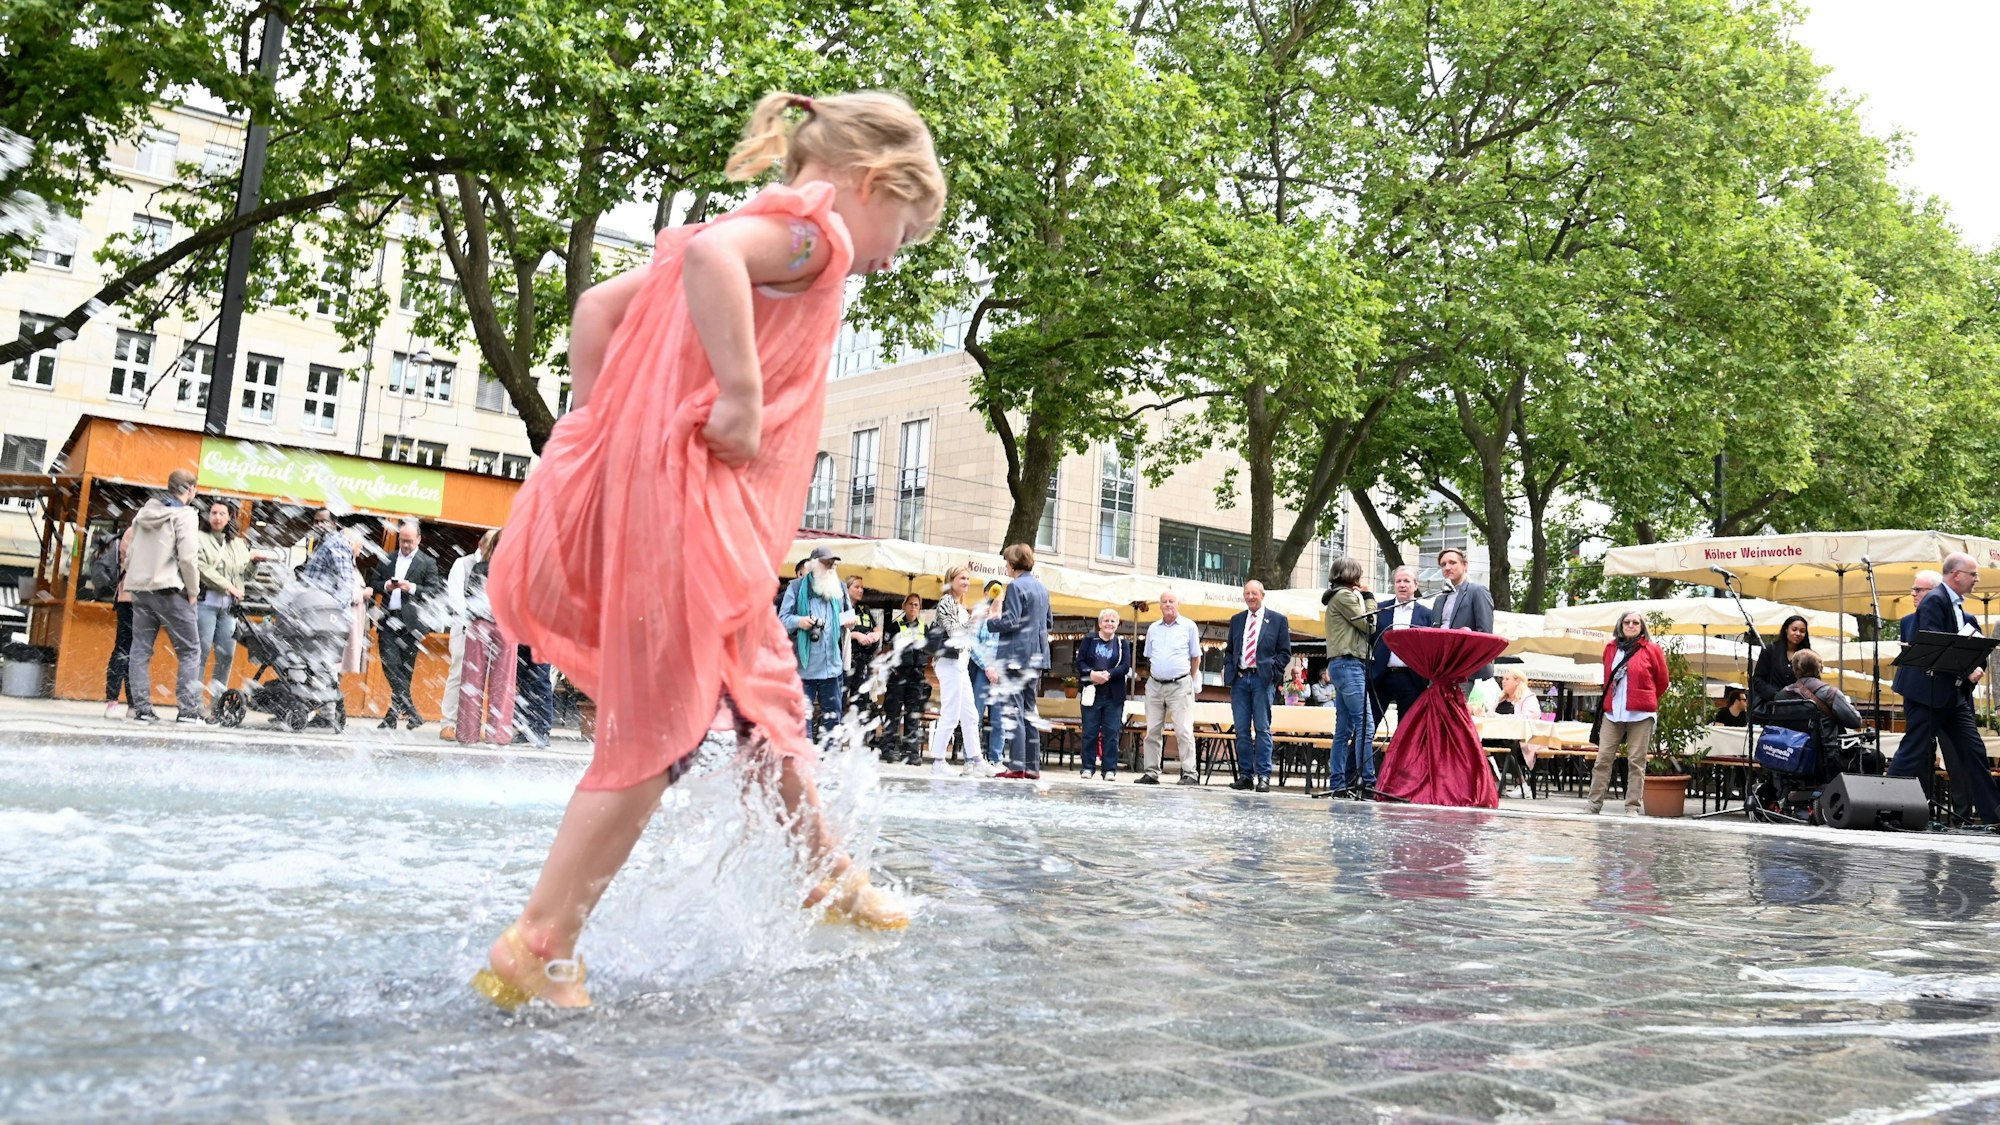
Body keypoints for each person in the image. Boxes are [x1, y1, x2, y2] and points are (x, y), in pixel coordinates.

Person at [477, 90, 944, 1009]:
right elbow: (709, 256)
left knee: (761, 688)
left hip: (677, 497)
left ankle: (828, 869)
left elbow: (599, 309)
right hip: (696, 505)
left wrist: (608, 427)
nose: (889, 258)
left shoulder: (769, 224)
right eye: (905, 232)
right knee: (662, 731)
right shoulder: (817, 240)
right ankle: (541, 940)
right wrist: (736, 394)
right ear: (877, 182)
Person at [1888, 553, 2000, 824]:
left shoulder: (1957, 606)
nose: (1977, 579)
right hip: (1928, 692)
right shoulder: (1935, 601)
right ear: (1957, 575)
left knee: (1974, 752)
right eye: (1973, 574)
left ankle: (1993, 816)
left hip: (1950, 695)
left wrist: (1973, 660)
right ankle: (1883, 805)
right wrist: (1966, 665)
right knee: (1912, 750)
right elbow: (1935, 647)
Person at [124, 469, 203, 724]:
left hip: (140, 590)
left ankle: (142, 709)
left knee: (140, 650)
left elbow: (130, 550)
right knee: (190, 650)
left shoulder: (145, 512)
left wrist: (133, 576)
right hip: (170, 590)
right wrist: (193, 591)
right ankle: (188, 711)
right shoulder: (185, 515)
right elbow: (188, 558)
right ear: (190, 489)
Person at [1586, 611, 1670, 815]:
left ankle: (1632, 807)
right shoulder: (1610, 648)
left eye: (1635, 622)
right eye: (1627, 622)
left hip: (1641, 714)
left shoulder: (1652, 649)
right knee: (1603, 758)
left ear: (1642, 627)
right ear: (1620, 625)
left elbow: (1662, 681)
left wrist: (1645, 698)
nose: (1631, 625)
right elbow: (1608, 678)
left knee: (1636, 761)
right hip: (1613, 712)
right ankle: (1593, 805)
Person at [371, 519, 443, 729]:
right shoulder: (388, 559)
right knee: (390, 665)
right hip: (389, 619)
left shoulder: (427, 562)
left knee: (405, 671)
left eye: (410, 541)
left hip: (412, 623)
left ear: (418, 539)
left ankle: (392, 716)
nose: (405, 545)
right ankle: (412, 712)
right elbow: (374, 582)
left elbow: (433, 590)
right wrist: (386, 585)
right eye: (402, 541)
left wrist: (410, 587)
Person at [193, 498, 262, 719]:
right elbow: (202, 569)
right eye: (213, 513)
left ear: (230, 517)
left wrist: (255, 562)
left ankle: (217, 705)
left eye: (222, 513)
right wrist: (229, 586)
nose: (217, 517)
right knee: (200, 653)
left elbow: (245, 576)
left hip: (230, 609)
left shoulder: (238, 544)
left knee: (225, 656)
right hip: (206, 604)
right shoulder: (199, 538)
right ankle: (193, 705)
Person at [779, 545, 851, 745]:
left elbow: (846, 614)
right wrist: (799, 622)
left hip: (832, 666)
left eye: (832, 564)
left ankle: (830, 763)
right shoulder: (796, 587)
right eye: (826, 563)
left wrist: (849, 621)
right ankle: (805, 761)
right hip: (805, 667)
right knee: (802, 719)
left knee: (833, 719)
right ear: (813, 565)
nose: (830, 567)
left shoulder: (840, 587)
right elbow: (782, 619)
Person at [993, 543, 1053, 780]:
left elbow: (1010, 621)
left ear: (1012, 564)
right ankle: (1032, 767)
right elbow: (1048, 623)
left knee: (1015, 710)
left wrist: (991, 621)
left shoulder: (1015, 587)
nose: (1006, 566)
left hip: (1015, 656)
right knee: (1029, 710)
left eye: (1006, 562)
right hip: (1036, 656)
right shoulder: (1042, 588)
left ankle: (1017, 765)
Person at [1225, 579, 1291, 793]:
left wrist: (1273, 672)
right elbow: (1230, 650)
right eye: (1247, 593)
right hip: (1240, 680)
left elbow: (1285, 652)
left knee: (1262, 729)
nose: (1251, 597)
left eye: (1254, 593)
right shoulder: (1237, 620)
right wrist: (1230, 668)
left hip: (1262, 680)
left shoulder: (1278, 620)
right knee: (1242, 730)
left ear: (1263, 595)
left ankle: (1263, 776)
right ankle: (1246, 776)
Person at [457, 530, 518, 746]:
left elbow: (470, 598)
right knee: (503, 681)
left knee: (473, 679)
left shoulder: (481, 567)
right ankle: (498, 735)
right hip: (502, 625)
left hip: (483, 623)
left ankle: (468, 733)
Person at [1321, 557, 1376, 796]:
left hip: (1341, 665)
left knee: (1343, 729)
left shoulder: (1336, 596)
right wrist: (1369, 598)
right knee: (1366, 725)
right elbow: (1370, 625)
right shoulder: (1345, 596)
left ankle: (1338, 784)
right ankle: (1368, 781)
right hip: (1349, 664)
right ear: (1353, 575)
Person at [1137, 590, 1202, 786]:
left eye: (1171, 601)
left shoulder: (1189, 626)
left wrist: (1188, 679)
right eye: (1164, 602)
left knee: (1183, 730)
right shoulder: (1153, 629)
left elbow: (1196, 657)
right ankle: (1151, 772)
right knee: (1152, 730)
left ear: (1178, 604)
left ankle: (1190, 774)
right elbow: (1149, 656)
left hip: (1180, 684)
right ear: (1160, 605)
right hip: (1155, 683)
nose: (1168, 605)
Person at [925, 566, 984, 777]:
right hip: (949, 663)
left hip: (960, 664)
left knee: (970, 714)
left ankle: (976, 759)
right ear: (951, 580)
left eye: (968, 579)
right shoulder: (946, 602)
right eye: (962, 578)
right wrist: (973, 621)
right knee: (951, 712)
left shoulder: (960, 604)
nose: (966, 582)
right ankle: (938, 760)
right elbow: (955, 634)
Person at [439, 531, 498, 741]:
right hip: (465, 629)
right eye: (493, 544)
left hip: (489, 632)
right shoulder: (462, 563)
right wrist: (475, 620)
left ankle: (474, 724)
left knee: (482, 678)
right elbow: (456, 599)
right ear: (481, 544)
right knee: (458, 673)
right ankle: (449, 723)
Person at [1371, 565, 1433, 730]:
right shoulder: (1380, 609)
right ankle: (1357, 757)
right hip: (1381, 677)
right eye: (1398, 581)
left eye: (1406, 581)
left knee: (1407, 732)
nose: (1402, 585)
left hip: (1411, 678)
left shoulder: (1427, 614)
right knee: (1367, 728)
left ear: (1416, 585)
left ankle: (1400, 757)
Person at [1074, 608, 1132, 780]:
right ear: (1099, 623)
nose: (1109, 623)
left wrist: (1109, 674)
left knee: (1112, 733)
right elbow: (1079, 663)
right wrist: (1091, 674)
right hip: (1092, 693)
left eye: (1113, 621)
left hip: (1114, 695)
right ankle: (1087, 767)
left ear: (1117, 624)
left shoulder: (1123, 644)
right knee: (1089, 732)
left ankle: (1109, 770)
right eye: (1106, 620)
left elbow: (1125, 666)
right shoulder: (1089, 640)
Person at [1432, 548, 1495, 690]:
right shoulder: (1440, 599)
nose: (1447, 567)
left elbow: (1484, 635)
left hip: (1466, 672)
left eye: (1452, 562)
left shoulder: (1477, 591)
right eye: (1443, 564)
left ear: (1465, 565)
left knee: (1457, 712)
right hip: (1441, 670)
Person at [882, 592, 929, 763]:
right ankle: (888, 748)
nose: (913, 607)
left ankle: (911, 752)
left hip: (916, 677)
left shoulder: (924, 627)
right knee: (893, 712)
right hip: (898, 675)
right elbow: (886, 650)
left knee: (913, 714)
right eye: (910, 604)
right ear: (904, 606)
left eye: (916, 605)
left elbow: (928, 651)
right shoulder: (894, 626)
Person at [968, 579, 1006, 771]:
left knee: (999, 718)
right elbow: (972, 645)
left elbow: (1010, 646)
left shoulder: (1006, 617)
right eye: (992, 592)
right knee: (976, 714)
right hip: (982, 671)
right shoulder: (978, 616)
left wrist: (999, 668)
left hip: (1000, 674)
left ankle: (996, 758)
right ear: (985, 593)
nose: (995, 596)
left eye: (999, 592)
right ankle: (972, 758)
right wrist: (987, 667)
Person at [99, 516, 135, 719]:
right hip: (130, 597)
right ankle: (114, 701)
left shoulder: (138, 530)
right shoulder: (135, 531)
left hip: (138, 598)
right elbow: (134, 563)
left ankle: (132, 702)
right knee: (125, 649)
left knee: (134, 651)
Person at [1752, 614, 1811, 707]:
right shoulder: (1770, 650)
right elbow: (1757, 680)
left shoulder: (1808, 656)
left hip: (1797, 707)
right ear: (1786, 629)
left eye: (1802, 631)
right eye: (1794, 629)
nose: (1798, 634)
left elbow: (1812, 682)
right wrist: (1776, 695)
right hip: (1771, 706)